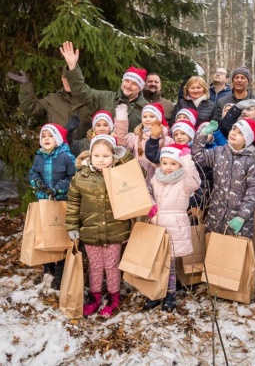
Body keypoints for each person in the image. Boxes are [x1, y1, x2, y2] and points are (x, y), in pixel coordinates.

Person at [65, 135, 133, 317]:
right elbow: (73, 203)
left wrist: (124, 156)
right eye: (97, 156)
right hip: (90, 229)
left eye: (106, 156)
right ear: (90, 156)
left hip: (115, 229)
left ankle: (113, 297)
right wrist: (72, 225)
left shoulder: (120, 173)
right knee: (94, 266)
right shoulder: (81, 177)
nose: (101, 160)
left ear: (113, 156)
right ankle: (94, 297)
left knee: (111, 266)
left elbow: (139, 174)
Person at [143, 144, 201, 312]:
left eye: (173, 163)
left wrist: (187, 159)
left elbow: (196, 182)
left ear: (180, 165)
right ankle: (155, 293)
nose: (168, 167)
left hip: (175, 226)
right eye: (165, 163)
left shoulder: (184, 181)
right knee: (156, 263)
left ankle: (170, 295)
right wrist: (151, 206)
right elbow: (147, 191)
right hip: (157, 224)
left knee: (170, 266)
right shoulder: (156, 178)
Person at [192, 118, 255, 239]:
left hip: (238, 219)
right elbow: (197, 156)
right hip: (215, 214)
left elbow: (254, 192)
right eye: (234, 129)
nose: (234, 133)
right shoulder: (219, 152)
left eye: (240, 133)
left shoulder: (252, 162)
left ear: (248, 140)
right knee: (213, 248)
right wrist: (202, 134)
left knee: (234, 252)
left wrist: (242, 217)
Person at [28, 123, 76, 291]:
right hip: (45, 202)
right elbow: (33, 172)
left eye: (50, 136)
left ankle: (61, 273)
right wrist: (37, 183)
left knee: (61, 236)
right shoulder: (39, 156)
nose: (46, 139)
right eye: (43, 136)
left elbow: (73, 176)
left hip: (62, 202)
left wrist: (58, 188)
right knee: (46, 235)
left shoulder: (66, 156)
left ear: (57, 139)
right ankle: (48, 269)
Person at [60, 41, 147, 132]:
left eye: (134, 84)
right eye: (127, 81)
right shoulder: (104, 98)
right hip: (102, 145)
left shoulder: (146, 108)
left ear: (140, 88)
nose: (128, 86)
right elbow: (82, 91)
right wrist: (72, 67)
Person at [8, 70, 90, 143]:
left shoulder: (90, 99)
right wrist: (25, 86)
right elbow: (30, 108)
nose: (68, 81)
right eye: (66, 78)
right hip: (57, 153)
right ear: (62, 78)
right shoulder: (52, 99)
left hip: (83, 154)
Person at [114, 102, 173, 186]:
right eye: (145, 116)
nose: (147, 119)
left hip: (159, 183)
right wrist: (121, 120)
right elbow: (121, 142)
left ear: (159, 119)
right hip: (137, 181)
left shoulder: (168, 141)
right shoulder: (135, 137)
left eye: (152, 116)